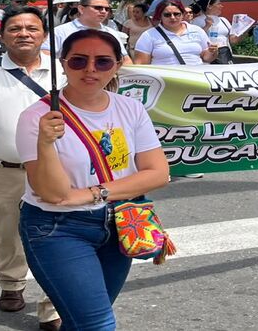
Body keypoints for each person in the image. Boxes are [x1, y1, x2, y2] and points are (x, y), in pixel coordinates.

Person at [16, 29, 170, 329]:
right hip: (58, 228)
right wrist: (46, 143)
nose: (90, 69)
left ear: (117, 65)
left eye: (102, 62)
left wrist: (93, 193)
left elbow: (157, 172)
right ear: (62, 63)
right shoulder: (37, 117)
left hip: (119, 223)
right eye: (78, 61)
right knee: (97, 324)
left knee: (81, 322)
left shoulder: (130, 108)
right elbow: (53, 193)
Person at [0, 7, 61, 330]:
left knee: (57, 235)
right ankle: (11, 284)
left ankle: (53, 304)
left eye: (32, 28)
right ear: (2, 36)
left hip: (56, 168)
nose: (24, 34)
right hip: (3, 169)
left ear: (44, 35)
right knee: (5, 231)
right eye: (15, 28)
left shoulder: (62, 69)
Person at [41, 0, 130, 63]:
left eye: (107, 9)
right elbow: (45, 56)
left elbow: (125, 60)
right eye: (98, 8)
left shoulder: (112, 33)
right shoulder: (60, 31)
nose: (103, 11)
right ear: (81, 9)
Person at [134, 0, 217, 66]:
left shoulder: (197, 30)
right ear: (160, 16)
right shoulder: (149, 35)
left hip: (196, 80)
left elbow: (206, 58)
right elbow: (141, 65)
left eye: (177, 14)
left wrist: (212, 52)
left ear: (183, 14)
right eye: (167, 15)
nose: (172, 17)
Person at [195, 0, 243, 64]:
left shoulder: (223, 20)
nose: (221, 6)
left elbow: (233, 40)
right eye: (218, 4)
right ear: (209, 6)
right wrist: (207, 26)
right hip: (208, 59)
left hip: (225, 56)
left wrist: (242, 31)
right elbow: (195, 38)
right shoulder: (197, 21)